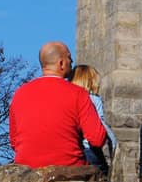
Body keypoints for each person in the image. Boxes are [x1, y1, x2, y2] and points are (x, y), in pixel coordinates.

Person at [8, 41, 107, 169]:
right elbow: (98, 138)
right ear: (61, 63)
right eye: (69, 58)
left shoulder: (19, 94)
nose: (72, 63)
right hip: (70, 170)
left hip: (27, 170)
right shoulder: (78, 94)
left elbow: (14, 141)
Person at [69, 64, 116, 170]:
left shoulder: (69, 98)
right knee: (103, 173)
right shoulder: (94, 99)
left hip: (74, 148)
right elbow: (100, 123)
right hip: (90, 149)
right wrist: (113, 143)